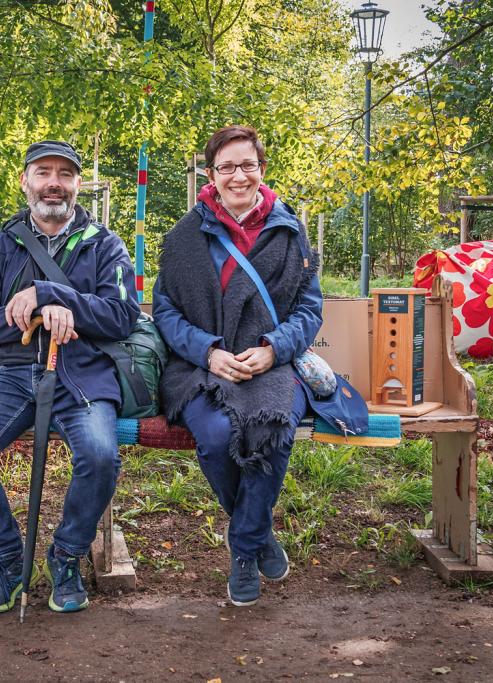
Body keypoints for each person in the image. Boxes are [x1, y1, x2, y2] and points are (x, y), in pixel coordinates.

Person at [0, 140, 140, 615]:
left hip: (83, 376)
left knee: (99, 456)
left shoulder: (105, 245)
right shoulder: (0, 244)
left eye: (65, 174)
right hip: (11, 374)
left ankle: (67, 556)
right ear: (26, 181)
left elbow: (121, 317)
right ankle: (9, 562)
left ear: (77, 185)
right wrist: (34, 317)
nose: (54, 182)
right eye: (43, 172)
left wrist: (54, 295)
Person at [153, 125, 324, 607]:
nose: (238, 175)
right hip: (203, 364)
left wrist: (274, 347)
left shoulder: (290, 230)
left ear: (262, 170)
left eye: (247, 164)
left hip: (271, 362)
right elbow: (164, 311)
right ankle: (259, 534)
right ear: (211, 174)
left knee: (273, 430)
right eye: (226, 166)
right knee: (211, 436)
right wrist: (208, 351)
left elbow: (309, 309)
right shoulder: (185, 236)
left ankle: (244, 550)